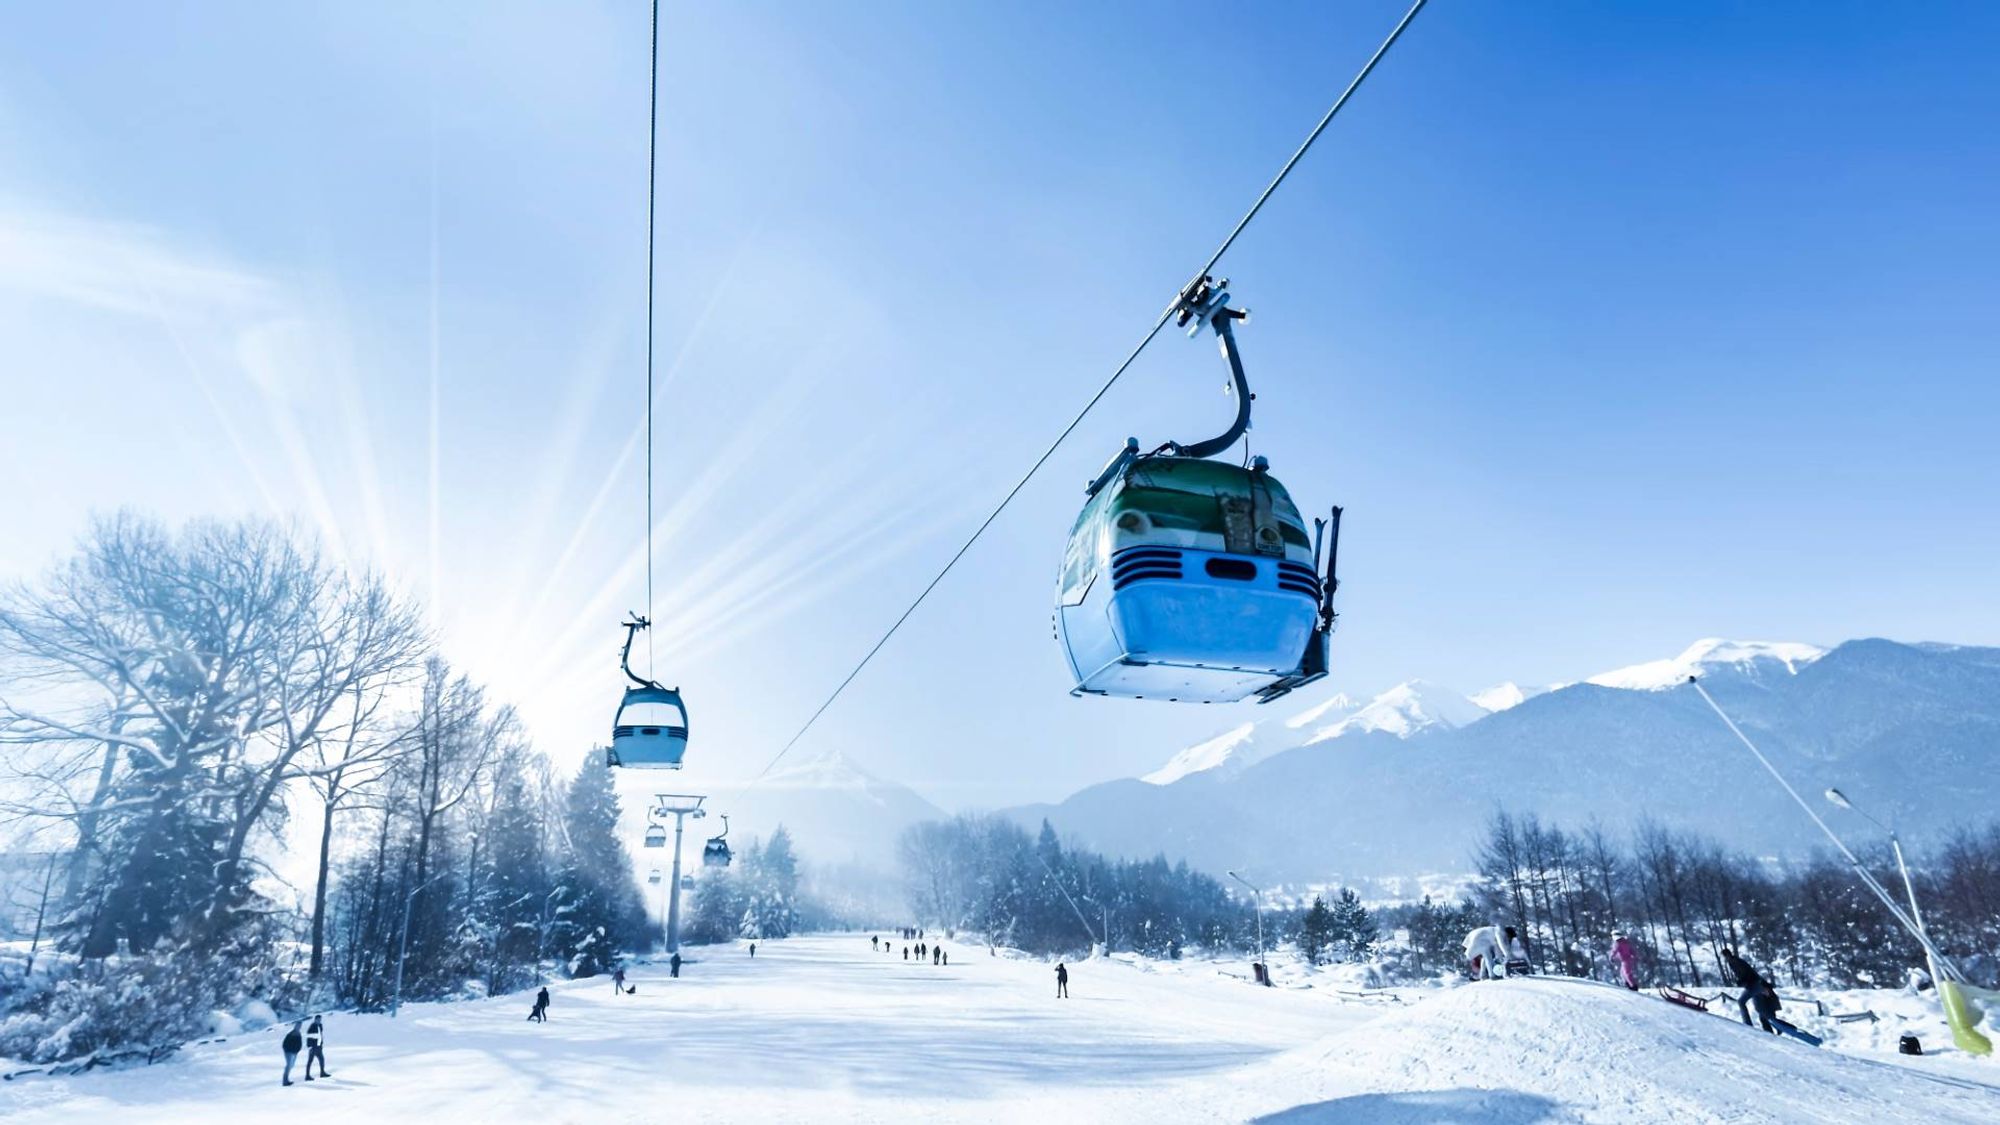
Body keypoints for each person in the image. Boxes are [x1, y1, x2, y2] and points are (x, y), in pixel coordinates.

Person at [1720, 946, 1764, 1027]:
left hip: (1753, 983)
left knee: (1741, 1001)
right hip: (1755, 983)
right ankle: (1770, 1026)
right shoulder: (1734, 961)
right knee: (1759, 1008)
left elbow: (1745, 973)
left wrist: (1741, 981)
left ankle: (1747, 1024)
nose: (1724, 959)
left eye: (1724, 957)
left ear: (1727, 956)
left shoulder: (1735, 962)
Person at [303, 1014, 330, 1080]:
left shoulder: (320, 1026)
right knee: (310, 1061)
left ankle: (322, 1073)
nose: (319, 1021)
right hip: (313, 1047)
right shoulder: (312, 1026)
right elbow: (308, 1037)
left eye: (320, 1020)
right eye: (318, 1019)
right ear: (315, 1019)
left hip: (318, 1046)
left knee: (321, 1060)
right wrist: (310, 1046)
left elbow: (320, 1035)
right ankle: (307, 1076)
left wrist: (321, 1044)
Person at [281, 1020, 303, 1086]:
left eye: (300, 1026)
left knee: (291, 1065)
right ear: (295, 1026)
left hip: (294, 1052)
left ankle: (286, 1079)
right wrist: (287, 1050)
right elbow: (284, 1043)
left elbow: (299, 1043)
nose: (299, 1027)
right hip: (289, 1052)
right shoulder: (291, 1033)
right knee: (289, 1065)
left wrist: (297, 1050)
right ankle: (285, 1081)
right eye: (298, 1025)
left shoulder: (299, 1034)